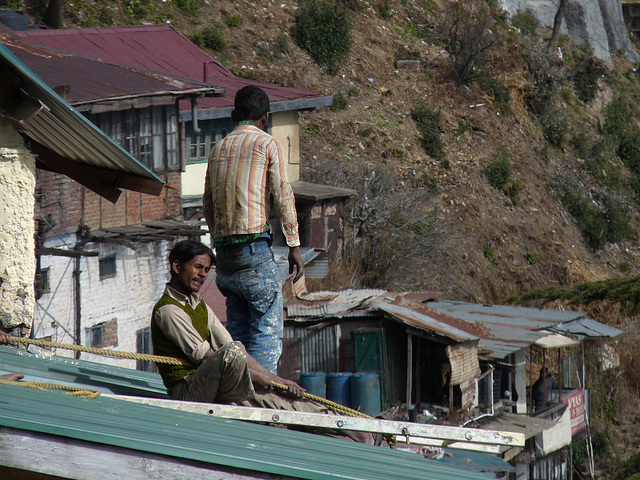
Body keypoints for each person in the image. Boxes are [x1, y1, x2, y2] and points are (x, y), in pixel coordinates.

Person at [151, 240, 371, 443]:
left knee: (282, 400)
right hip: (189, 393)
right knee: (244, 366)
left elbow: (231, 348)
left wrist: (276, 380)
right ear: (177, 267)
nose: (203, 274)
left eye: (207, 270)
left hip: (215, 382)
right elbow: (209, 357)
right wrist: (258, 377)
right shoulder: (168, 310)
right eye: (197, 267)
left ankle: (364, 434)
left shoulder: (197, 304)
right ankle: (362, 435)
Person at [203, 85, 304, 374]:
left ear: (235, 115)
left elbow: (207, 203)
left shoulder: (218, 148)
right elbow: (283, 195)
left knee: (237, 333)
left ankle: (235, 386)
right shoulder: (267, 143)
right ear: (265, 117)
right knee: (265, 330)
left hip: (225, 253)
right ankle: (259, 395)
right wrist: (294, 245)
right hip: (254, 250)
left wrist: (218, 241)